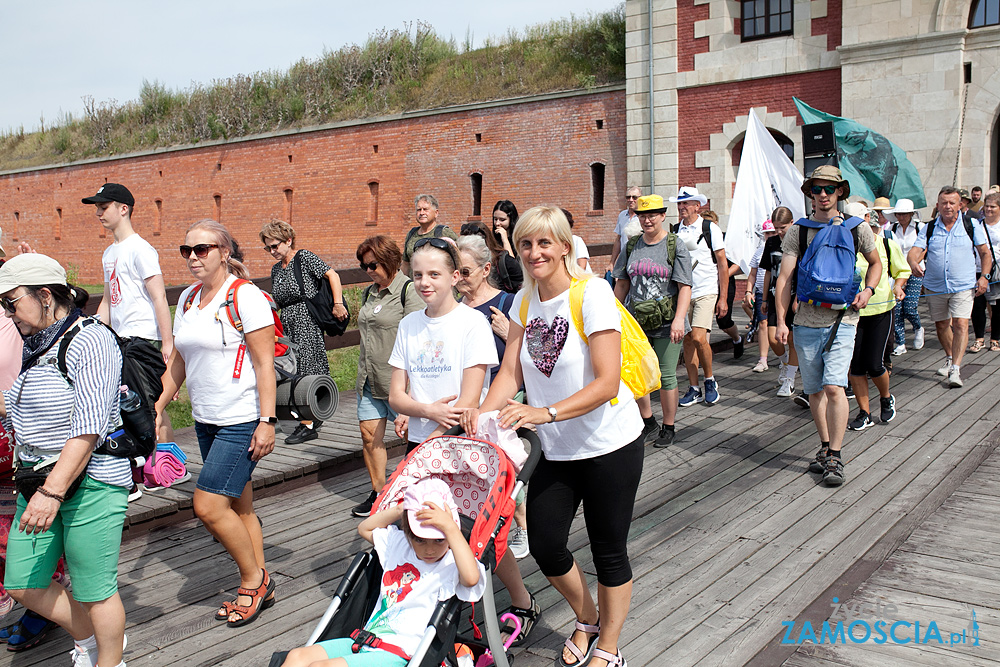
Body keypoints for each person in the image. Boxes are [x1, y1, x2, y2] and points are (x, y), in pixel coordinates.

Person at [461, 206, 644, 667]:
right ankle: (587, 618)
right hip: (560, 451)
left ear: (564, 246)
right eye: (526, 244)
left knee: (608, 549)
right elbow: (509, 372)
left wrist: (544, 412)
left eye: (544, 243)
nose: (534, 252)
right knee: (544, 540)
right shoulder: (524, 301)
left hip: (610, 445)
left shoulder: (593, 293)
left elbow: (606, 383)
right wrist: (480, 419)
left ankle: (609, 645)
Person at [0, 253, 130, 667]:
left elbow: (88, 427)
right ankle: (89, 639)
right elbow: (34, 403)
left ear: (44, 294)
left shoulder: (90, 339)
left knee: (95, 588)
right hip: (36, 476)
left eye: (11, 301)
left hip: (89, 480)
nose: (8, 312)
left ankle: (110, 661)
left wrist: (52, 494)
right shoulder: (40, 339)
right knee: (22, 583)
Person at [155, 220, 277, 627]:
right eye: (186, 250)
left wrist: (267, 420)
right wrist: (159, 405)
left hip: (241, 419)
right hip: (207, 420)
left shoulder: (246, 297)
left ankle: (250, 581)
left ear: (225, 252)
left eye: (202, 249)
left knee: (207, 505)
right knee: (240, 507)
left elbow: (264, 363)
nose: (193, 257)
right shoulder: (189, 298)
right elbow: (180, 361)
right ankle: (263, 580)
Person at [282, 478, 486, 667]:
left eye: (438, 540)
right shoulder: (400, 547)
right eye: (420, 539)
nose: (429, 549)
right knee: (296, 657)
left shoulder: (451, 563)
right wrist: (401, 509)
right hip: (363, 639)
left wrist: (451, 529)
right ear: (408, 533)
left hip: (400, 652)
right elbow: (364, 528)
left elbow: (471, 578)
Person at [775, 166, 881, 487]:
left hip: (843, 318)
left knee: (835, 387)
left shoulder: (856, 228)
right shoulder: (799, 230)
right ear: (810, 193)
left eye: (829, 189)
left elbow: (875, 263)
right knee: (814, 390)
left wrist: (868, 290)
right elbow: (784, 277)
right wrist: (781, 320)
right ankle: (824, 446)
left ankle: (835, 454)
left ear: (840, 192)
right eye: (816, 189)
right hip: (806, 320)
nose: (823, 195)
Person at [82, 182, 176, 500]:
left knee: (146, 406)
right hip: (119, 340)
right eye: (96, 207)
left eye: (103, 206)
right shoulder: (110, 253)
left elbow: (159, 296)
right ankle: (147, 466)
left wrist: (167, 343)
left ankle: (163, 466)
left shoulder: (141, 249)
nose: (98, 212)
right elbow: (109, 301)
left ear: (124, 209)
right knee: (126, 404)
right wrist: (94, 332)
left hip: (143, 338)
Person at [388, 237, 497, 453]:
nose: (424, 282)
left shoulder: (473, 322)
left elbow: (469, 399)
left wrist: (432, 440)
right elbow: (396, 396)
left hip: (460, 439)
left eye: (434, 274)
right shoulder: (408, 324)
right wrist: (428, 410)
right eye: (418, 275)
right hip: (419, 441)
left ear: (454, 277)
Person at [613, 194, 693, 448]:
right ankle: (648, 421)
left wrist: (680, 319)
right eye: (642, 215)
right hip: (636, 321)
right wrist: (613, 312)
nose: (647, 220)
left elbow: (684, 286)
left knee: (666, 375)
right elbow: (622, 282)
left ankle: (669, 427)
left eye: (652, 215)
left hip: (668, 320)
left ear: (662, 216)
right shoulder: (632, 245)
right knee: (637, 372)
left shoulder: (674, 245)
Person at [259, 219, 348, 444]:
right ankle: (308, 414)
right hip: (287, 323)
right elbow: (277, 300)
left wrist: (338, 304)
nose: (272, 251)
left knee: (309, 366)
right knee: (292, 369)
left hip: (306, 320)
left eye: (275, 246)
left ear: (288, 240)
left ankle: (308, 423)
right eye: (268, 247)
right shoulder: (276, 269)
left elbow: (332, 275)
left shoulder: (304, 257)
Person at [352, 236, 422, 518]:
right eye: (363, 266)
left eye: (373, 265)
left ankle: (411, 491)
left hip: (399, 381)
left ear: (390, 261)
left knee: (415, 439)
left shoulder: (408, 291)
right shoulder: (370, 292)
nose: (368, 270)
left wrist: (412, 390)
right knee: (369, 436)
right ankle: (379, 494)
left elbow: (420, 339)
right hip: (369, 378)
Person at [906, 186, 993, 388]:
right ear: (938, 205)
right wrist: (913, 263)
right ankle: (949, 356)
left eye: (952, 203)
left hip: (963, 285)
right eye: (944, 203)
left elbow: (985, 253)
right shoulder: (928, 228)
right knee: (941, 325)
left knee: (961, 324)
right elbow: (915, 251)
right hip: (935, 286)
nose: (947, 206)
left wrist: (985, 277)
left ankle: (956, 368)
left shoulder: (971, 224)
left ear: (959, 204)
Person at [844, 203, 910, 430]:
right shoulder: (844, 246)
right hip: (852, 313)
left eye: (857, 220)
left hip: (881, 309)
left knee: (874, 363)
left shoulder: (885, 244)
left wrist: (899, 286)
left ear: (867, 218)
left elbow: (902, 271)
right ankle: (864, 413)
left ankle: (886, 396)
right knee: (855, 366)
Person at [671, 187, 728, 407]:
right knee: (686, 339)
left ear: (698, 206)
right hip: (684, 292)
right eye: (680, 203)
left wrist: (723, 298)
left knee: (698, 337)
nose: (682, 207)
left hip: (705, 290)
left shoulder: (709, 228)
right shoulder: (676, 230)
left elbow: (722, 264)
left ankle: (710, 380)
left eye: (687, 203)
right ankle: (693, 387)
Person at [759, 208, 806, 404]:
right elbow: (769, 271)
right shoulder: (771, 242)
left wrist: (800, 297)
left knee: (793, 339)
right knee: (773, 338)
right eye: (776, 228)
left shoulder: (799, 241)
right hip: (773, 295)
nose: (779, 232)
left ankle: (789, 379)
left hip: (795, 294)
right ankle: (786, 362)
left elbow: (803, 271)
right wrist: (763, 298)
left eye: (783, 227)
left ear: (792, 223)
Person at [885, 198, 925, 355]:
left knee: (910, 306)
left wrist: (914, 263)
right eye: (898, 214)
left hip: (916, 270)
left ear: (911, 214)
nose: (901, 217)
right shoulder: (892, 229)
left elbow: (924, 247)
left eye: (904, 214)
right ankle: (900, 342)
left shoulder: (920, 228)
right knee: (898, 307)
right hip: (897, 272)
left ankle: (917, 327)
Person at [703, 210, 744, 360]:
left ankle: (737, 339)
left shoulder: (726, 240)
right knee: (703, 321)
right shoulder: (699, 239)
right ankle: (703, 353)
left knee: (723, 321)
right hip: (705, 284)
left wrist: (721, 274)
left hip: (724, 282)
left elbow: (738, 265)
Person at [969, 192, 1000, 352]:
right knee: (978, 306)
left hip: (997, 272)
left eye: (993, 207)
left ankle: (995, 338)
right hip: (977, 269)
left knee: (996, 307)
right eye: (986, 206)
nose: (988, 209)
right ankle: (979, 339)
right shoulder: (977, 225)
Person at [744, 219, 776, 373]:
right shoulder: (759, 250)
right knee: (762, 324)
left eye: (772, 233)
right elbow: (753, 273)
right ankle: (763, 359)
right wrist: (748, 291)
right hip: (760, 291)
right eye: (767, 233)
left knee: (777, 326)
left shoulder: (782, 248)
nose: (769, 236)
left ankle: (787, 357)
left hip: (776, 291)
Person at [401, 195, 459, 278]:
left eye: (425, 209)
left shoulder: (444, 233)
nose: (421, 213)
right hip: (414, 287)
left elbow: (458, 259)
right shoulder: (411, 234)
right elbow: (405, 264)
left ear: (436, 213)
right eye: (418, 210)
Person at [490, 200, 524, 293]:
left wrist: (505, 238)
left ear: (511, 219)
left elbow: (513, 265)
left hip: (513, 289)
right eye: (495, 219)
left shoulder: (519, 239)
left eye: (502, 220)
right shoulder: (493, 239)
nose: (497, 223)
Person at [609, 186, 642, 272]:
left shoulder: (644, 216)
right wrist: (611, 263)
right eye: (628, 197)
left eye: (634, 197)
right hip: (624, 261)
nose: (631, 200)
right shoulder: (622, 215)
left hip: (640, 261)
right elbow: (618, 240)